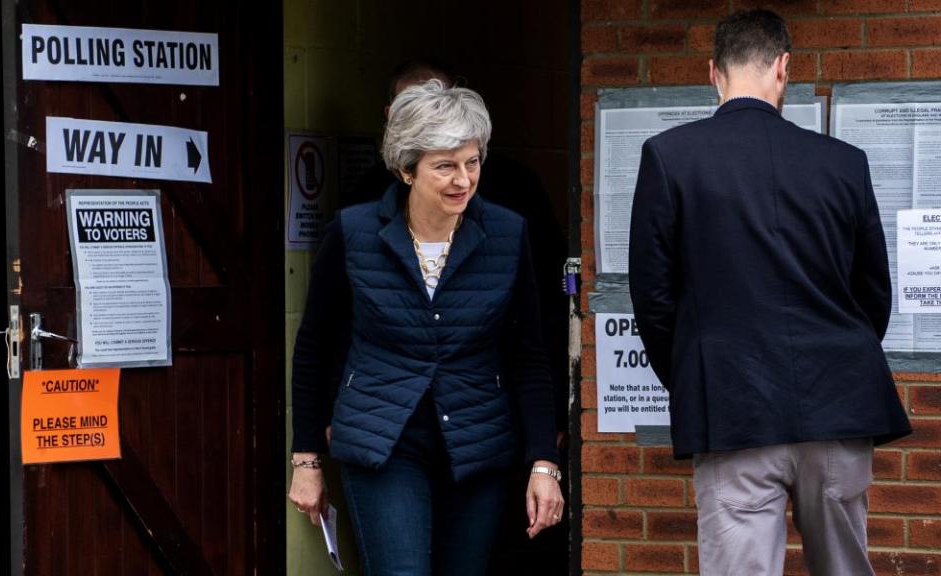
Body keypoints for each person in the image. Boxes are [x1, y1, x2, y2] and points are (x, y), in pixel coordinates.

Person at [629, 9, 911, 576]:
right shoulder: (844, 163)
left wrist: (696, 369)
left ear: (714, 72)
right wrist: (839, 353)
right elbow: (873, 292)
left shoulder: (670, 157)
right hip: (839, 402)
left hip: (732, 406)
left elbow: (653, 298)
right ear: (783, 68)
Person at [288, 79, 563, 575]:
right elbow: (315, 344)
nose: (464, 179)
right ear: (405, 169)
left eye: (472, 162)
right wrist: (305, 459)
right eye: (445, 165)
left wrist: (543, 462)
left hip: (477, 443)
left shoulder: (506, 233)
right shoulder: (354, 233)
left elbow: (529, 354)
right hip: (383, 442)